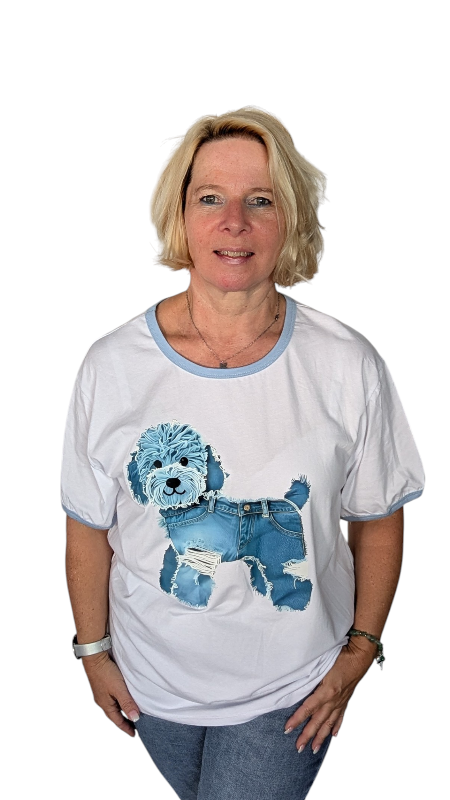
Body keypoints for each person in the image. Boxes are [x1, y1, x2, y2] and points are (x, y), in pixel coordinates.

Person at [62, 107, 425, 800]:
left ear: (290, 219)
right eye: (210, 199)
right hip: (151, 685)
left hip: (290, 688)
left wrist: (359, 653)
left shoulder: (345, 363)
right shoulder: (112, 365)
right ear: (181, 216)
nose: (234, 222)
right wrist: (93, 651)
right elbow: (88, 525)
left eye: (260, 200)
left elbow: (377, 518)